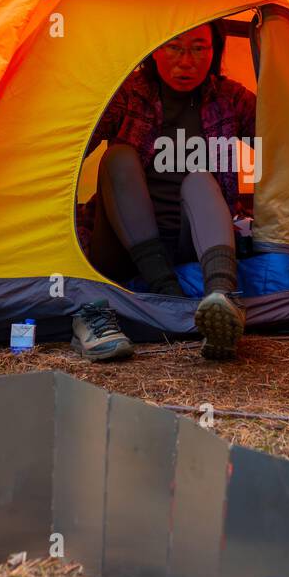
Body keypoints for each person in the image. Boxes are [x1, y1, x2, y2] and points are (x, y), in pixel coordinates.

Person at [72, 20, 256, 362]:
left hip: (189, 240)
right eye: (174, 47)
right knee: (119, 158)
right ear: (155, 48)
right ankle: (166, 295)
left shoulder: (229, 98)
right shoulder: (128, 94)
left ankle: (223, 299)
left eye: (199, 48)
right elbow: (68, 149)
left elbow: (284, 141)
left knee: (200, 179)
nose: (186, 61)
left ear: (214, 51)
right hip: (123, 243)